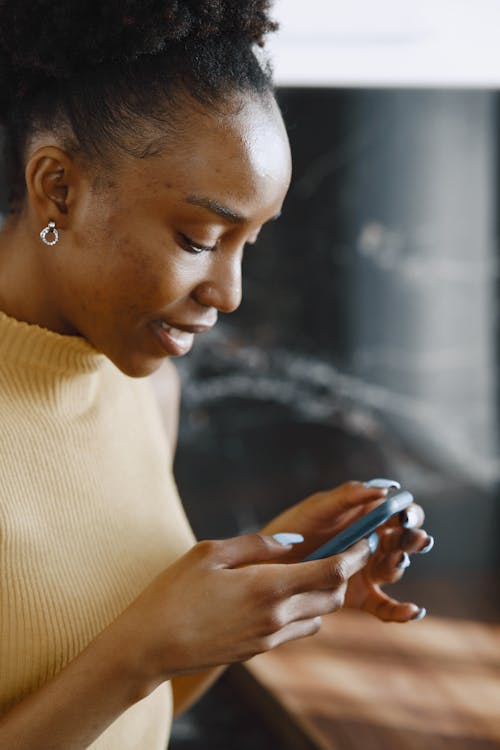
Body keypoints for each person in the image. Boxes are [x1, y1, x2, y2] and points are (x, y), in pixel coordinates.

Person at [0, 2, 432, 748]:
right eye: (200, 238)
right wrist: (140, 648)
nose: (230, 295)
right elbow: (130, 669)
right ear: (58, 189)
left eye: (248, 244)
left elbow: (138, 715)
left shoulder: (147, 389)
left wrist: (259, 586)